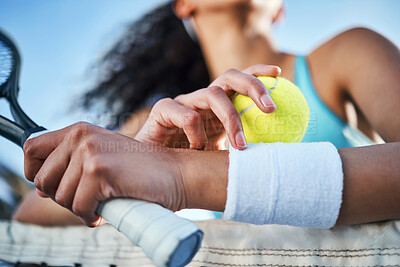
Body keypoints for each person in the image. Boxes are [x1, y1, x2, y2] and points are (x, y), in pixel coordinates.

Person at [13, 0, 400, 227]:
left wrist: (183, 174)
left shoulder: (348, 53)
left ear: (279, 8)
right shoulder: (165, 119)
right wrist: (145, 158)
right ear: (185, 5)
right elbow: (30, 213)